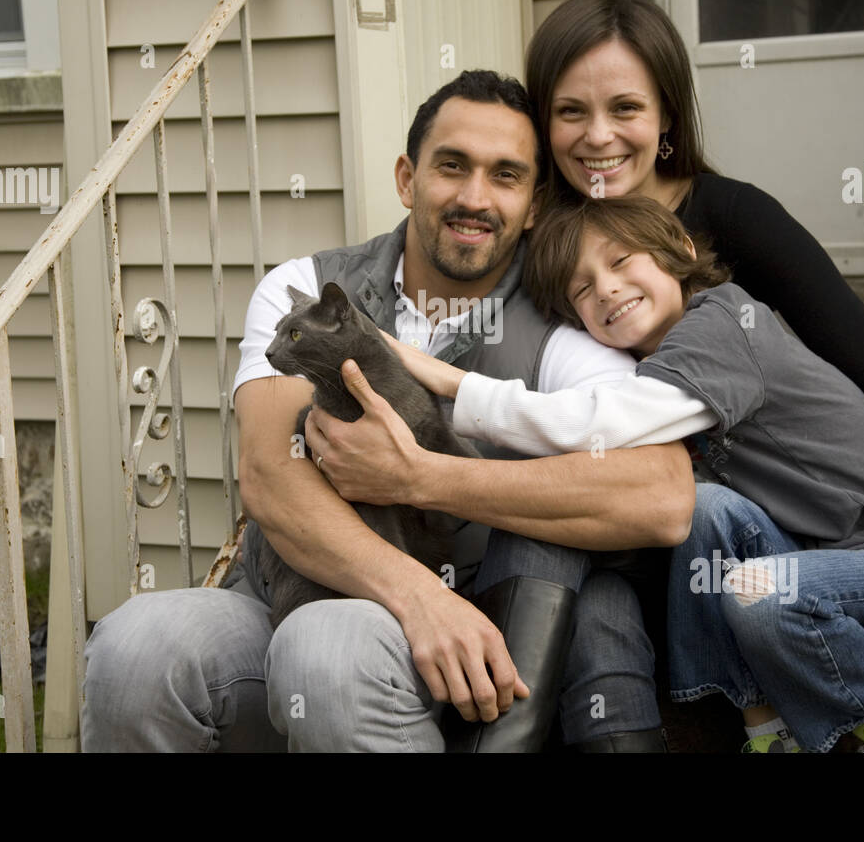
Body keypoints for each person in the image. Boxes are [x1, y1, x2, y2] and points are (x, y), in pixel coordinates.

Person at [385, 0, 864, 750]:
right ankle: (750, 718)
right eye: (571, 112)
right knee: (615, 595)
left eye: (626, 109)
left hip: (798, 562)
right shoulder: (534, 227)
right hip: (630, 553)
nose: (598, 137)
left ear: (667, 115)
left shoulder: (730, 241)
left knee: (694, 556)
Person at [79, 69, 692, 752]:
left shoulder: (563, 330)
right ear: (407, 178)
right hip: (287, 600)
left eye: (506, 176)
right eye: (451, 167)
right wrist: (415, 596)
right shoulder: (306, 289)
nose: (473, 197)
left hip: (464, 637)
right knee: (131, 648)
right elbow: (271, 476)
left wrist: (420, 478)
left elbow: (661, 497)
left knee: (330, 650)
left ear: (537, 202)